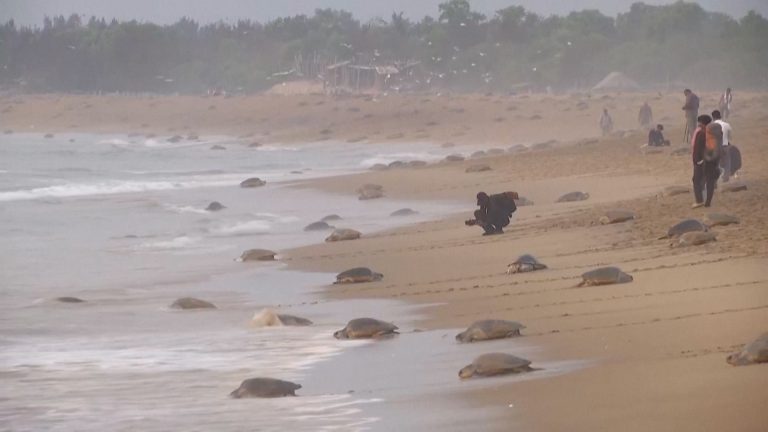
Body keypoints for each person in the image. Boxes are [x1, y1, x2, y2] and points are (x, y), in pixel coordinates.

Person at [691, 114, 722, 208]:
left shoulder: (702, 133)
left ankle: (700, 200)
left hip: (703, 160)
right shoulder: (715, 133)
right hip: (712, 160)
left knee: (697, 180)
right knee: (709, 181)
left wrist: (698, 160)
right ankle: (707, 202)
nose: (698, 124)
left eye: (700, 122)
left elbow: (698, 148)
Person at [711, 109, 733, 182]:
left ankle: (716, 178)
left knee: (716, 163)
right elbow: (730, 137)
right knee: (727, 163)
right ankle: (726, 178)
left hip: (716, 147)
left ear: (713, 117)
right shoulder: (726, 124)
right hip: (725, 145)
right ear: (720, 116)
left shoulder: (711, 126)